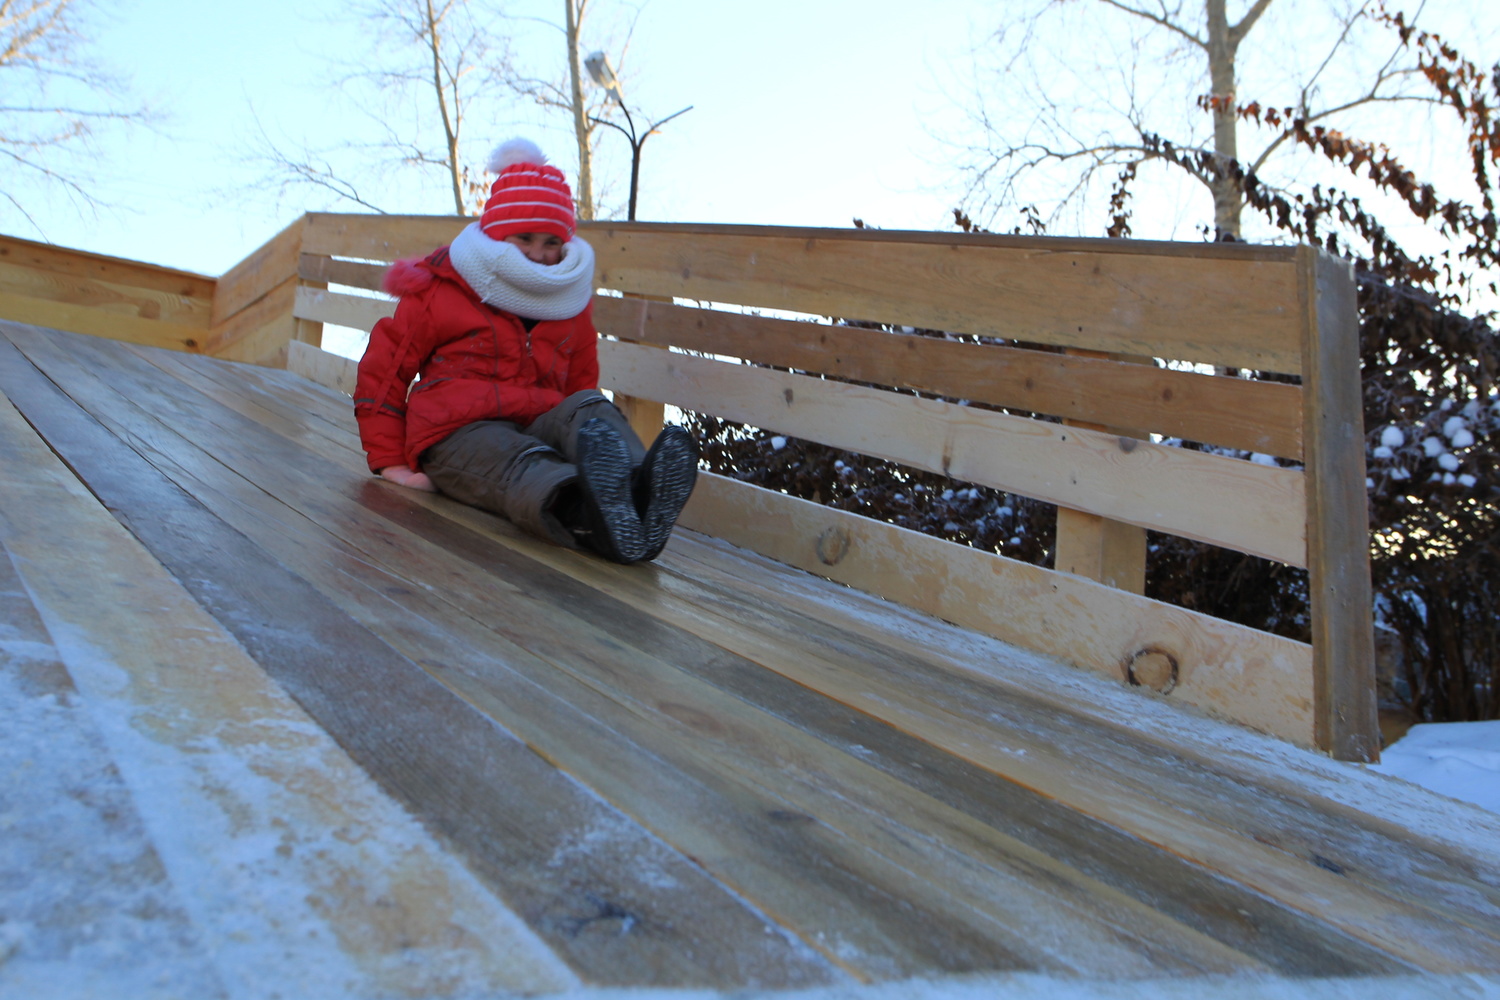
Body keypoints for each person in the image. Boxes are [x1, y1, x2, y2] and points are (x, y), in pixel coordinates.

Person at [353, 137, 698, 564]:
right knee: (522, 461)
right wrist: (391, 462)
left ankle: (638, 492)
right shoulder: (444, 286)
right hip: (458, 434)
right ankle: (584, 513)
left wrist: (583, 433)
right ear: (496, 233)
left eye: (552, 241)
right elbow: (385, 372)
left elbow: (579, 386)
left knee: (589, 410)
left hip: (537, 421)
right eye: (525, 238)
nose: (539, 254)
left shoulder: (568, 303)